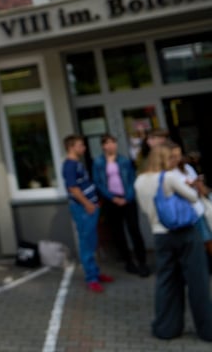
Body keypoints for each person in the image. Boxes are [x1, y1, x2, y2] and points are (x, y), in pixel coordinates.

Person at [134, 144, 212, 342]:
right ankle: (207, 330)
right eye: (172, 158)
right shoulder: (169, 177)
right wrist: (192, 184)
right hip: (184, 233)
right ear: (164, 159)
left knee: (166, 283)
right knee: (198, 282)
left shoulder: (139, 180)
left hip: (160, 235)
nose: (175, 161)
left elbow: (145, 209)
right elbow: (194, 197)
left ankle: (166, 328)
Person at [91, 134, 150, 277]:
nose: (111, 145)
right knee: (118, 232)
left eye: (113, 142)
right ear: (103, 146)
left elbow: (131, 179)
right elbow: (98, 183)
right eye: (108, 143)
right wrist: (113, 198)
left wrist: (127, 197)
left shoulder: (124, 160)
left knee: (134, 229)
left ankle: (142, 262)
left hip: (127, 200)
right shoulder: (98, 162)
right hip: (111, 201)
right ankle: (128, 262)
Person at [61, 134, 113, 292]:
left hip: (90, 206)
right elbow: (73, 188)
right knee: (86, 242)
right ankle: (91, 277)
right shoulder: (69, 165)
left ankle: (95, 273)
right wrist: (87, 204)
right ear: (71, 147)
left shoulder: (77, 163)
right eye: (80, 145)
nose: (83, 148)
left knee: (91, 241)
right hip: (83, 209)